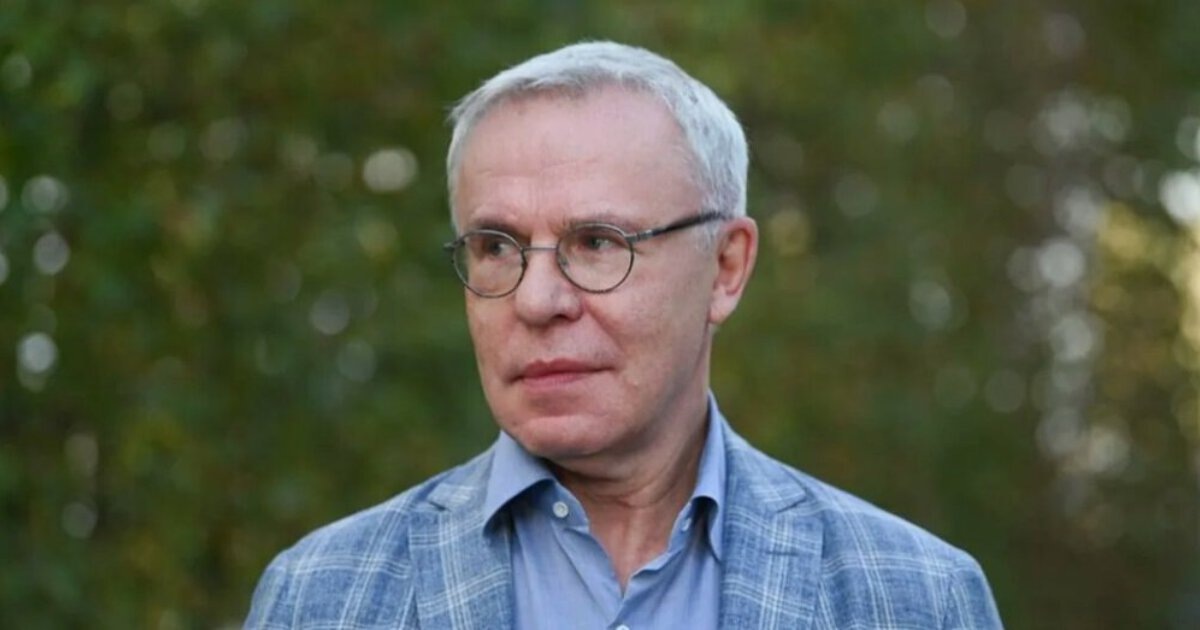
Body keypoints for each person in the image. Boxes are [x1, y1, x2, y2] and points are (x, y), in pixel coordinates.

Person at [246, 41, 1003, 629]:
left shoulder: (913, 597)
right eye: (497, 247)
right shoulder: (320, 597)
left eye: (598, 243)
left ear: (726, 268)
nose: (537, 300)